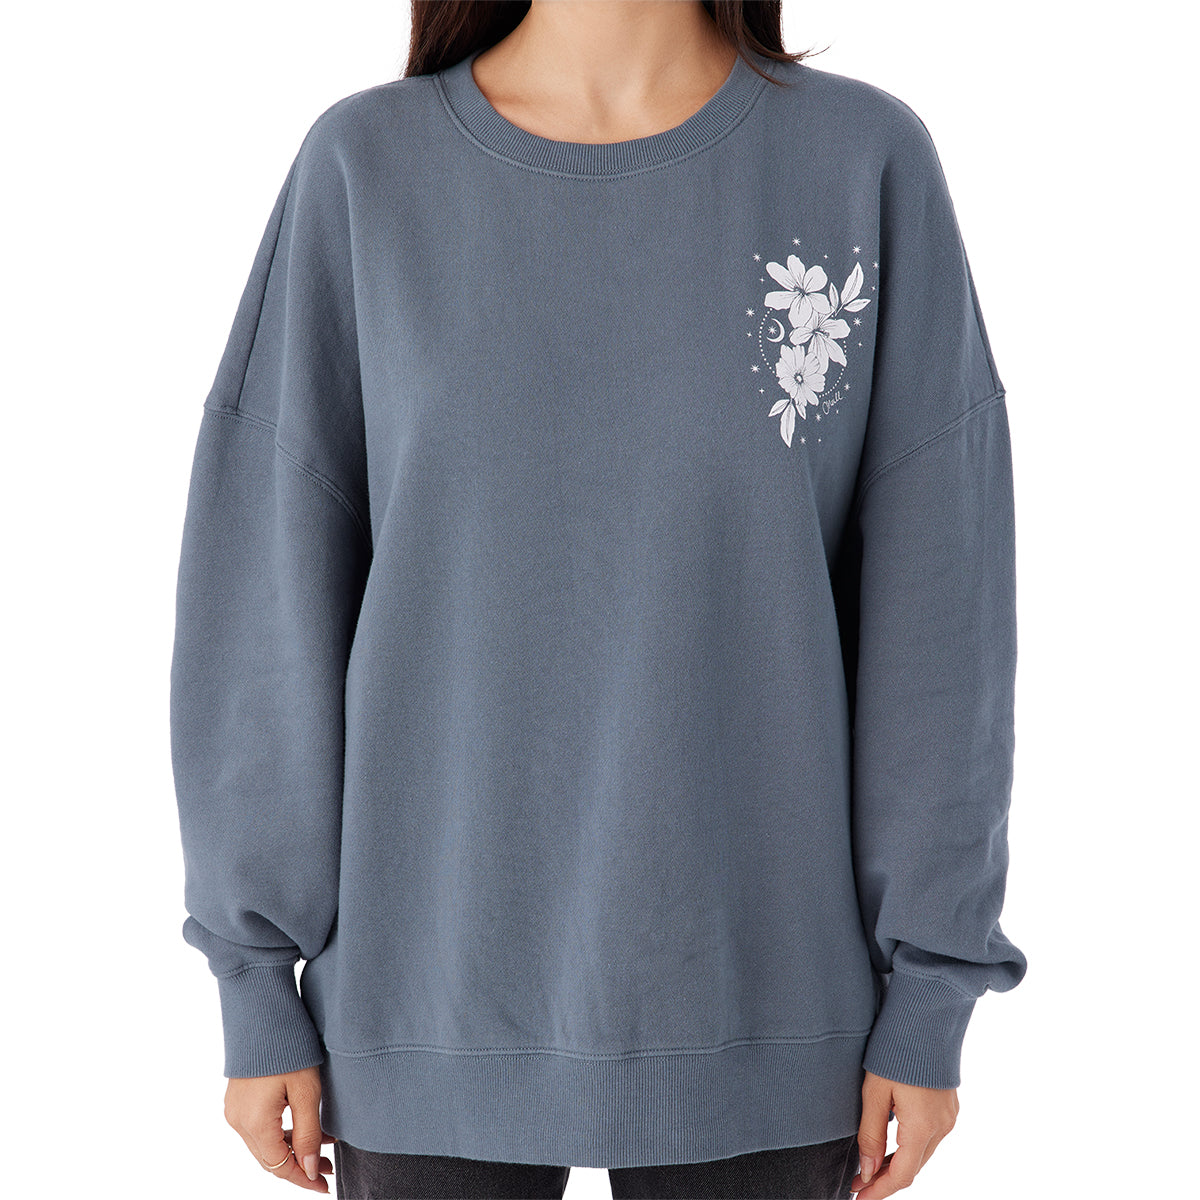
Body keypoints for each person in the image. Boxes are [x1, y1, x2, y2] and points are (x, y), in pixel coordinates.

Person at [169, 2, 1029, 1198]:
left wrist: (932, 994)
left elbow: (942, 617)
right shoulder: (365, 169)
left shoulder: (860, 163)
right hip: (423, 1006)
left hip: (770, 1011)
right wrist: (255, 983)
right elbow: (267, 594)